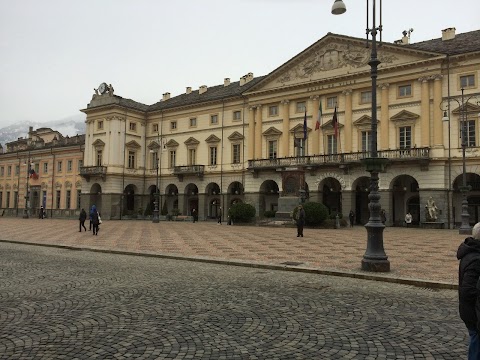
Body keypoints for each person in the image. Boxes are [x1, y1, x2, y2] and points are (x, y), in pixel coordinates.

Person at [457, 222, 480, 359]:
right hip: (474, 313)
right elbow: (468, 290)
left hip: (469, 310)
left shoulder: (470, 251)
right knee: (476, 344)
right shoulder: (476, 258)